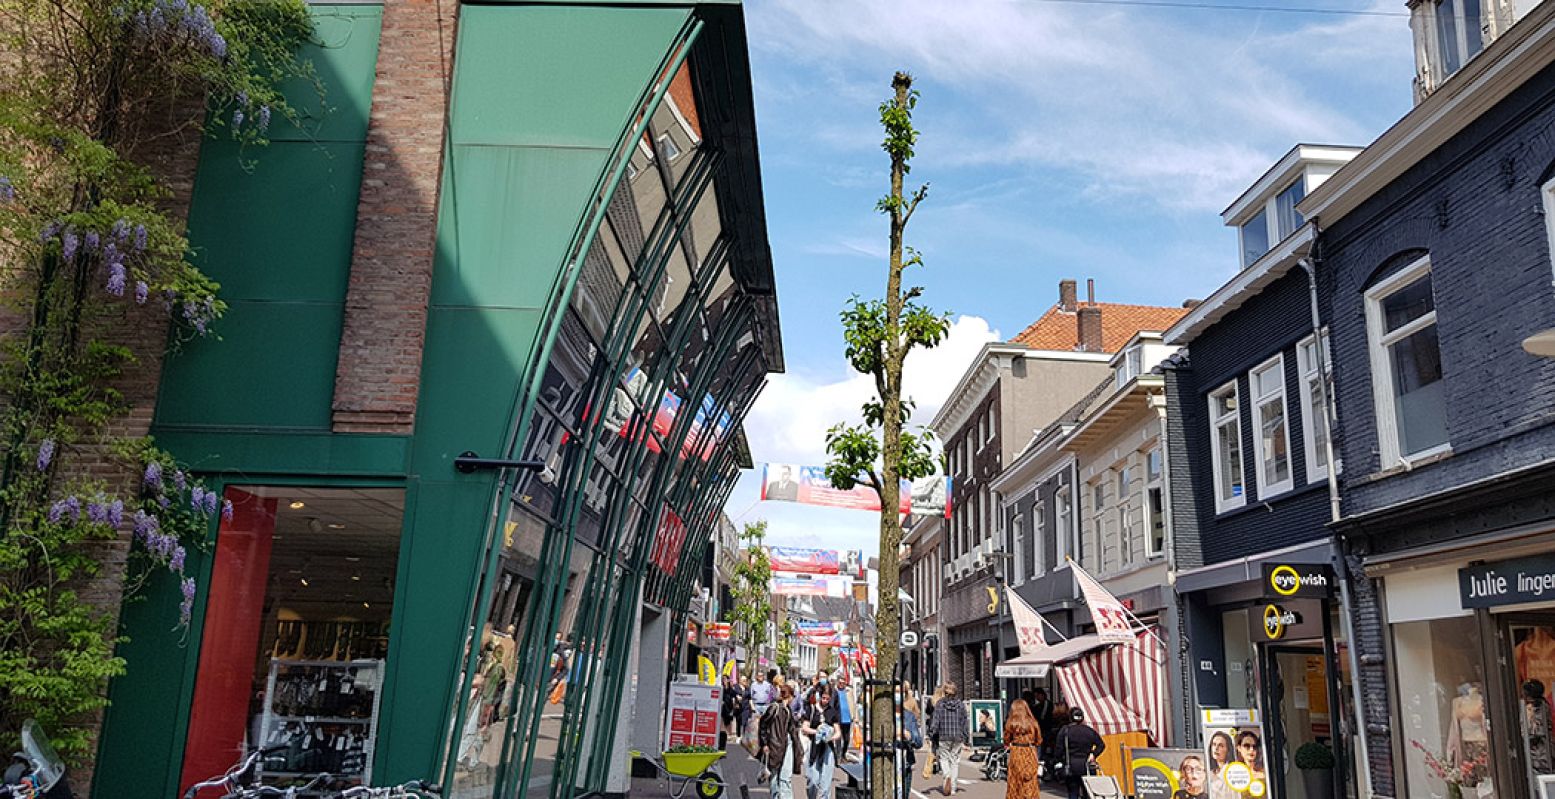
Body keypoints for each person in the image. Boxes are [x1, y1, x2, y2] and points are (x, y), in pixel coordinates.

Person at [760, 683, 805, 799]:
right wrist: (764, 743)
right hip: (774, 745)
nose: (793, 700)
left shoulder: (788, 709)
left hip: (787, 744)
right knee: (774, 776)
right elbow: (763, 724)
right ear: (788, 696)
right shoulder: (774, 708)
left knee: (785, 777)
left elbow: (791, 728)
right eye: (792, 697)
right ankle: (775, 796)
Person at [928, 681, 969, 796]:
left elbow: (936, 721)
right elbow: (964, 722)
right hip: (957, 736)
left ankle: (947, 775)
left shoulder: (940, 704)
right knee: (955, 761)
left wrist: (932, 734)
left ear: (944, 691)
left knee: (944, 758)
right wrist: (965, 736)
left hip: (944, 736)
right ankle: (953, 788)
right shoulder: (961, 705)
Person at [801, 686, 843, 799]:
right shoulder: (811, 709)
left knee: (826, 784)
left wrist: (831, 737)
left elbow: (838, 732)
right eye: (823, 698)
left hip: (827, 748)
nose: (825, 701)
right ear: (819, 696)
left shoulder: (832, 711)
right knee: (812, 780)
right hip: (814, 746)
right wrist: (817, 732)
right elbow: (804, 728)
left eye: (827, 699)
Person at [1053, 707, 1104, 799]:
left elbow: (1058, 750)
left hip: (1071, 766)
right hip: (1087, 766)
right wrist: (1093, 754)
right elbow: (1101, 745)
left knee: (1073, 792)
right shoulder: (1089, 730)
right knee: (1088, 792)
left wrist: (1058, 761)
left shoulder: (1065, 730)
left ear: (1070, 717)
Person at [1003, 699, 1042, 799]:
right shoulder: (1033, 723)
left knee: (1015, 781)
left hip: (1016, 751)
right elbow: (1039, 740)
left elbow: (1006, 739)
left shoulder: (1011, 722)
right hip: (1030, 751)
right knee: (1030, 780)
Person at [900, 692, 925, 799]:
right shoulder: (882, 716)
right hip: (888, 762)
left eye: (899, 692)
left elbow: (919, 742)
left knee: (904, 795)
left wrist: (910, 737)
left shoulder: (909, 716)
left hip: (905, 761)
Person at [1526, 679, 1555, 774]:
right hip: (1542, 754)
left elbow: (1534, 733)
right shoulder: (1544, 704)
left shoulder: (1538, 708)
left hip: (1540, 756)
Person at [1206, 731, 1236, 799]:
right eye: (1214, 744)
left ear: (1228, 750)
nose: (1216, 748)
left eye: (1220, 745)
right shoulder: (1210, 773)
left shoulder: (1232, 773)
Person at [835, 673, 854, 762]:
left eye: (843, 683)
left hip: (847, 718)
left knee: (846, 739)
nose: (841, 684)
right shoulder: (834, 691)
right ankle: (838, 757)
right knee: (838, 738)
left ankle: (843, 754)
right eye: (840, 683)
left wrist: (855, 717)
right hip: (838, 718)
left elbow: (853, 704)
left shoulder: (849, 691)